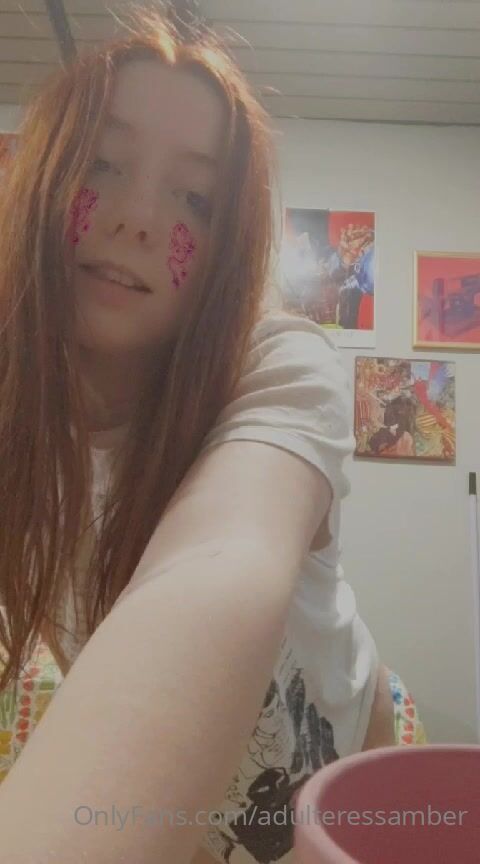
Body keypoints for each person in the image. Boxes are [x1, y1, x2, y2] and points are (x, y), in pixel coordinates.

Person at [0, 5, 414, 864]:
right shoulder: (17, 404)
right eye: (102, 164)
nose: (139, 219)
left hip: (351, 779)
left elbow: (223, 564)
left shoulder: (277, 363)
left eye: (196, 198)